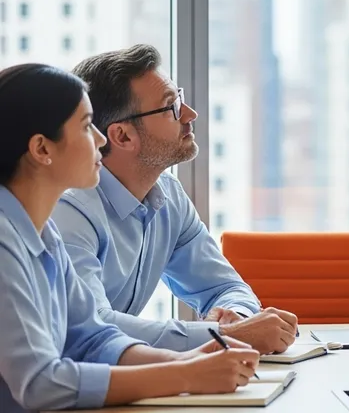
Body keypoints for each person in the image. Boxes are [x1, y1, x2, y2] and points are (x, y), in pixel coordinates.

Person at [0, 63, 260, 412]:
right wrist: (185, 375)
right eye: (85, 126)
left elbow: (93, 338)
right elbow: (40, 385)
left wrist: (189, 360)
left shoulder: (41, 232)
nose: (100, 139)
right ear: (42, 149)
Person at [49, 44, 298, 354]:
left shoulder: (168, 195)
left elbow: (224, 287)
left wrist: (238, 318)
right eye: (171, 107)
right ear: (123, 136)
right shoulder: (68, 211)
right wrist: (222, 335)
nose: (190, 114)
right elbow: (92, 326)